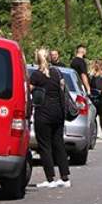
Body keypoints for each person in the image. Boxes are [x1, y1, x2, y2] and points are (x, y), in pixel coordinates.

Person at [29, 48, 70, 188]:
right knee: (58, 144)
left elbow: (27, 90)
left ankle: (50, 178)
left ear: (37, 59)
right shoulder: (57, 73)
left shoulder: (36, 75)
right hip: (58, 113)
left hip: (43, 113)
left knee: (45, 146)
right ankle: (65, 177)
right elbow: (63, 88)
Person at [89, 59, 102, 141]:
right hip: (99, 97)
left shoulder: (90, 75)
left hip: (93, 97)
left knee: (94, 116)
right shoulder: (101, 76)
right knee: (101, 116)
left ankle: (94, 133)